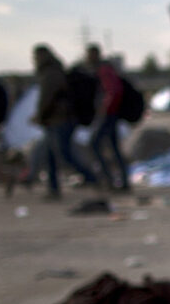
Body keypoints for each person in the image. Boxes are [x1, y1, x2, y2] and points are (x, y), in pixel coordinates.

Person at [30, 43, 97, 200]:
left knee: (64, 155)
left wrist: (40, 116)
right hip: (56, 119)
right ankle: (53, 189)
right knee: (51, 156)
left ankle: (92, 177)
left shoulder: (50, 73)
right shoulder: (54, 70)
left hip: (60, 119)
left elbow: (47, 98)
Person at [83, 44, 130, 192]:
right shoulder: (102, 69)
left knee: (95, 145)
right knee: (112, 148)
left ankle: (111, 180)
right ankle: (120, 181)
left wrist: (105, 109)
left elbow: (113, 91)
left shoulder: (103, 70)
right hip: (109, 114)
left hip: (108, 115)